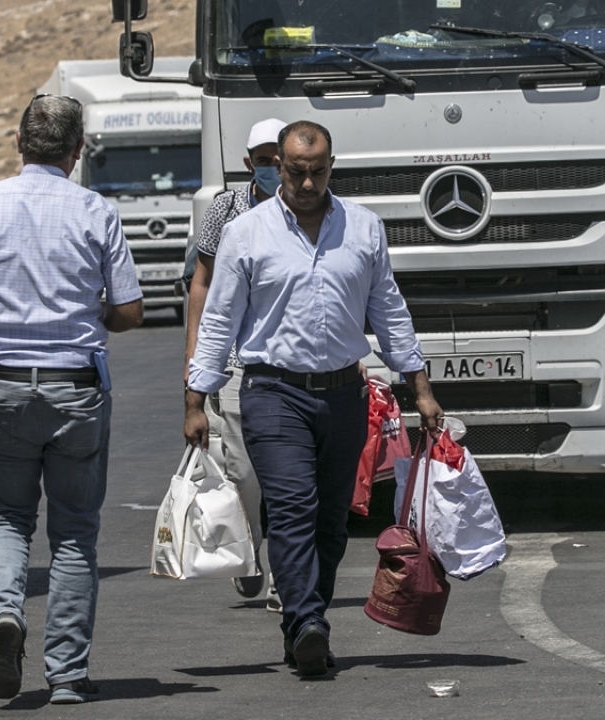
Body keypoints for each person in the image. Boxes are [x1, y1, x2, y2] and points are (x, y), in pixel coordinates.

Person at [184, 120, 442, 677]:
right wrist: (195, 398)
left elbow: (389, 310)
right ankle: (307, 623)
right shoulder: (246, 233)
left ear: (331, 167)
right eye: (296, 171)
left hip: (345, 394)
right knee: (294, 510)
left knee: (331, 521)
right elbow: (219, 319)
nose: (306, 182)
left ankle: (306, 621)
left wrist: (418, 387)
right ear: (278, 165)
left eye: (317, 172)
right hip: (273, 393)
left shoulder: (364, 229)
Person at [0, 95, 144, 705]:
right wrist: (82, 312)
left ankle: (6, 616)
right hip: (75, 388)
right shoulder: (95, 212)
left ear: (20, 144)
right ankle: (68, 675)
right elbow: (128, 311)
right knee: (75, 533)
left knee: (3, 517)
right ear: (77, 151)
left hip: (1, 384)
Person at [184, 117, 288, 609]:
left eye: (278, 158)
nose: (272, 168)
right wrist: (194, 363)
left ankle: (287, 581)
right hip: (235, 363)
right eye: (263, 160)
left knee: (289, 477)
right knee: (245, 476)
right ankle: (254, 549)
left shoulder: (307, 207)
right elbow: (200, 282)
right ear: (250, 164)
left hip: (290, 360)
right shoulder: (225, 209)